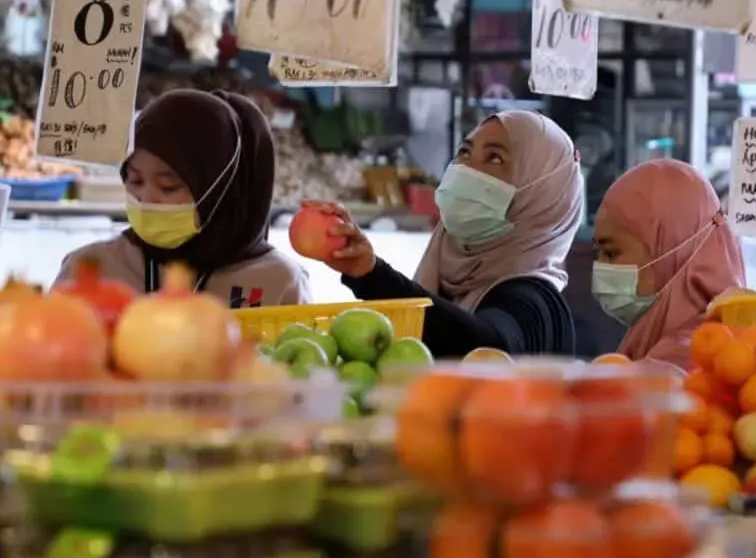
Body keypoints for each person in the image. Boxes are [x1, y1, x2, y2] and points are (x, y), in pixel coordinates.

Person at [309, 110, 582, 357]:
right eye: (464, 152)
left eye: (494, 158)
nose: (466, 169)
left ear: (542, 194)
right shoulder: (444, 274)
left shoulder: (536, 302)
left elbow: (484, 351)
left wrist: (373, 275)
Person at [55, 88, 309, 307]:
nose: (146, 198)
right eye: (135, 181)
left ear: (219, 192)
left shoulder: (278, 281)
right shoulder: (89, 268)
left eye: (168, 186)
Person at [592, 159, 746, 368]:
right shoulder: (658, 338)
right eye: (597, 253)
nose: (600, 267)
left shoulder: (688, 357)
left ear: (671, 248)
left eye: (611, 253)